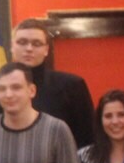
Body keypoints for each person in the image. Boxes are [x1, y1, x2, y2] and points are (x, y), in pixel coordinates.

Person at [9, 18, 94, 148]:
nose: (29, 48)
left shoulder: (72, 86)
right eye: (22, 42)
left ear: (46, 50)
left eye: (36, 43)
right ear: (12, 46)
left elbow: (88, 141)